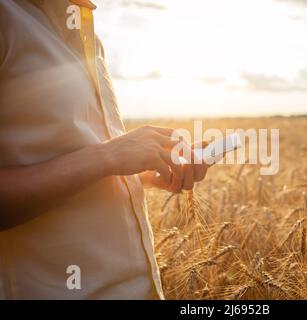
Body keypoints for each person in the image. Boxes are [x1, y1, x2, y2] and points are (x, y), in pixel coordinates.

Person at [0, 0, 209, 299]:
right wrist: (108, 156)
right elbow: (100, 157)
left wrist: (146, 172)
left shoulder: (86, 34)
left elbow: (75, 155)